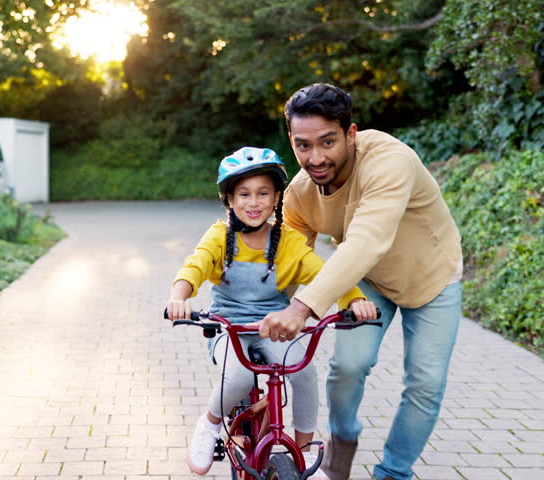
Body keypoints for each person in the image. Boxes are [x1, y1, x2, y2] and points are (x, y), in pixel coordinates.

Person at [258, 83, 463, 480]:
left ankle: (393, 472)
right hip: (368, 280)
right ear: (291, 140)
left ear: (350, 134)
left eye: (328, 142)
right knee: (348, 364)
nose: (315, 157)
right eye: (303, 145)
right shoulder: (300, 194)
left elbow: (368, 239)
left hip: (433, 276)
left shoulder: (390, 161)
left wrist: (302, 309)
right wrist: (260, 313)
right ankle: (343, 440)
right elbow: (287, 262)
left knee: (425, 382)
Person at [165, 147, 377, 476]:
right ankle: (209, 425)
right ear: (230, 200)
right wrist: (179, 297)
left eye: (263, 193)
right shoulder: (220, 236)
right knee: (237, 375)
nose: (254, 202)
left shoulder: (288, 242)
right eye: (244, 194)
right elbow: (195, 266)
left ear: (277, 196)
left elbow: (324, 274)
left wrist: (354, 299)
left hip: (275, 326)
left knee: (303, 372)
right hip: (229, 327)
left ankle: (304, 449)